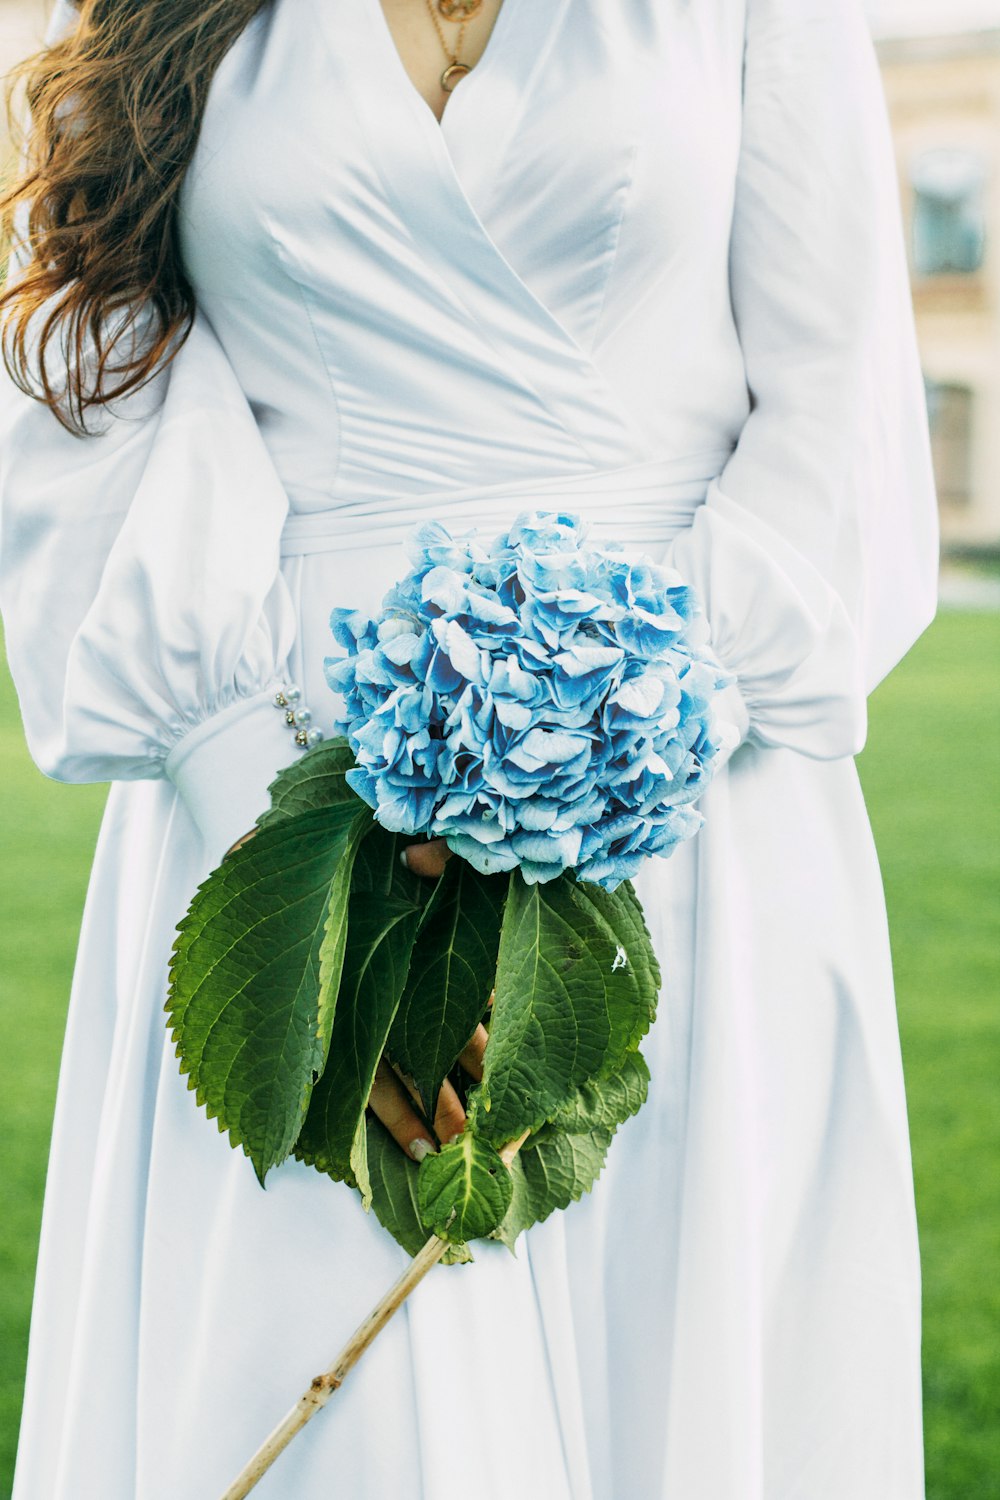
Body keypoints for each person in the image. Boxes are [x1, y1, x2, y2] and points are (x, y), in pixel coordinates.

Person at [0, 0, 939, 1495]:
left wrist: (603, 753)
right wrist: (297, 872)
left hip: (694, 813)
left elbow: (841, 421)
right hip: (286, 805)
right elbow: (84, 407)